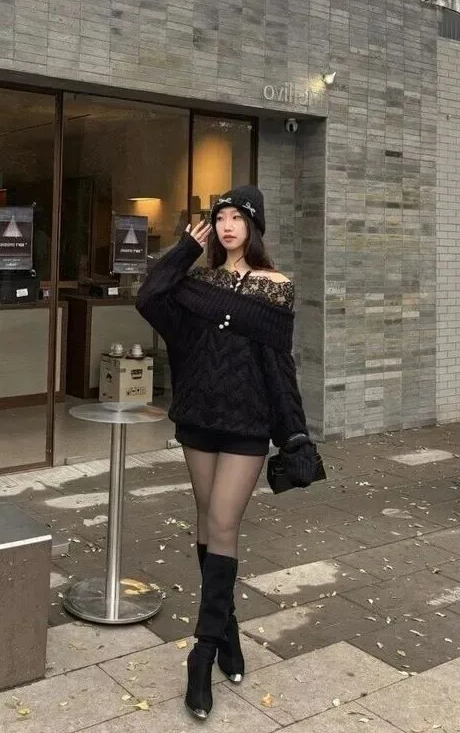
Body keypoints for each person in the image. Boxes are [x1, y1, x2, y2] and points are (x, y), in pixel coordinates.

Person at [136, 184, 318, 721]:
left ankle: (202, 653)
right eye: (220, 218)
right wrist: (184, 250)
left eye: (238, 217)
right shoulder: (198, 282)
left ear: (254, 226)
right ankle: (227, 631)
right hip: (198, 418)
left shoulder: (276, 287)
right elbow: (149, 298)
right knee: (206, 519)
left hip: (247, 424)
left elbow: (278, 365)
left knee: (222, 521)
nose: (227, 226)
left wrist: (293, 432)